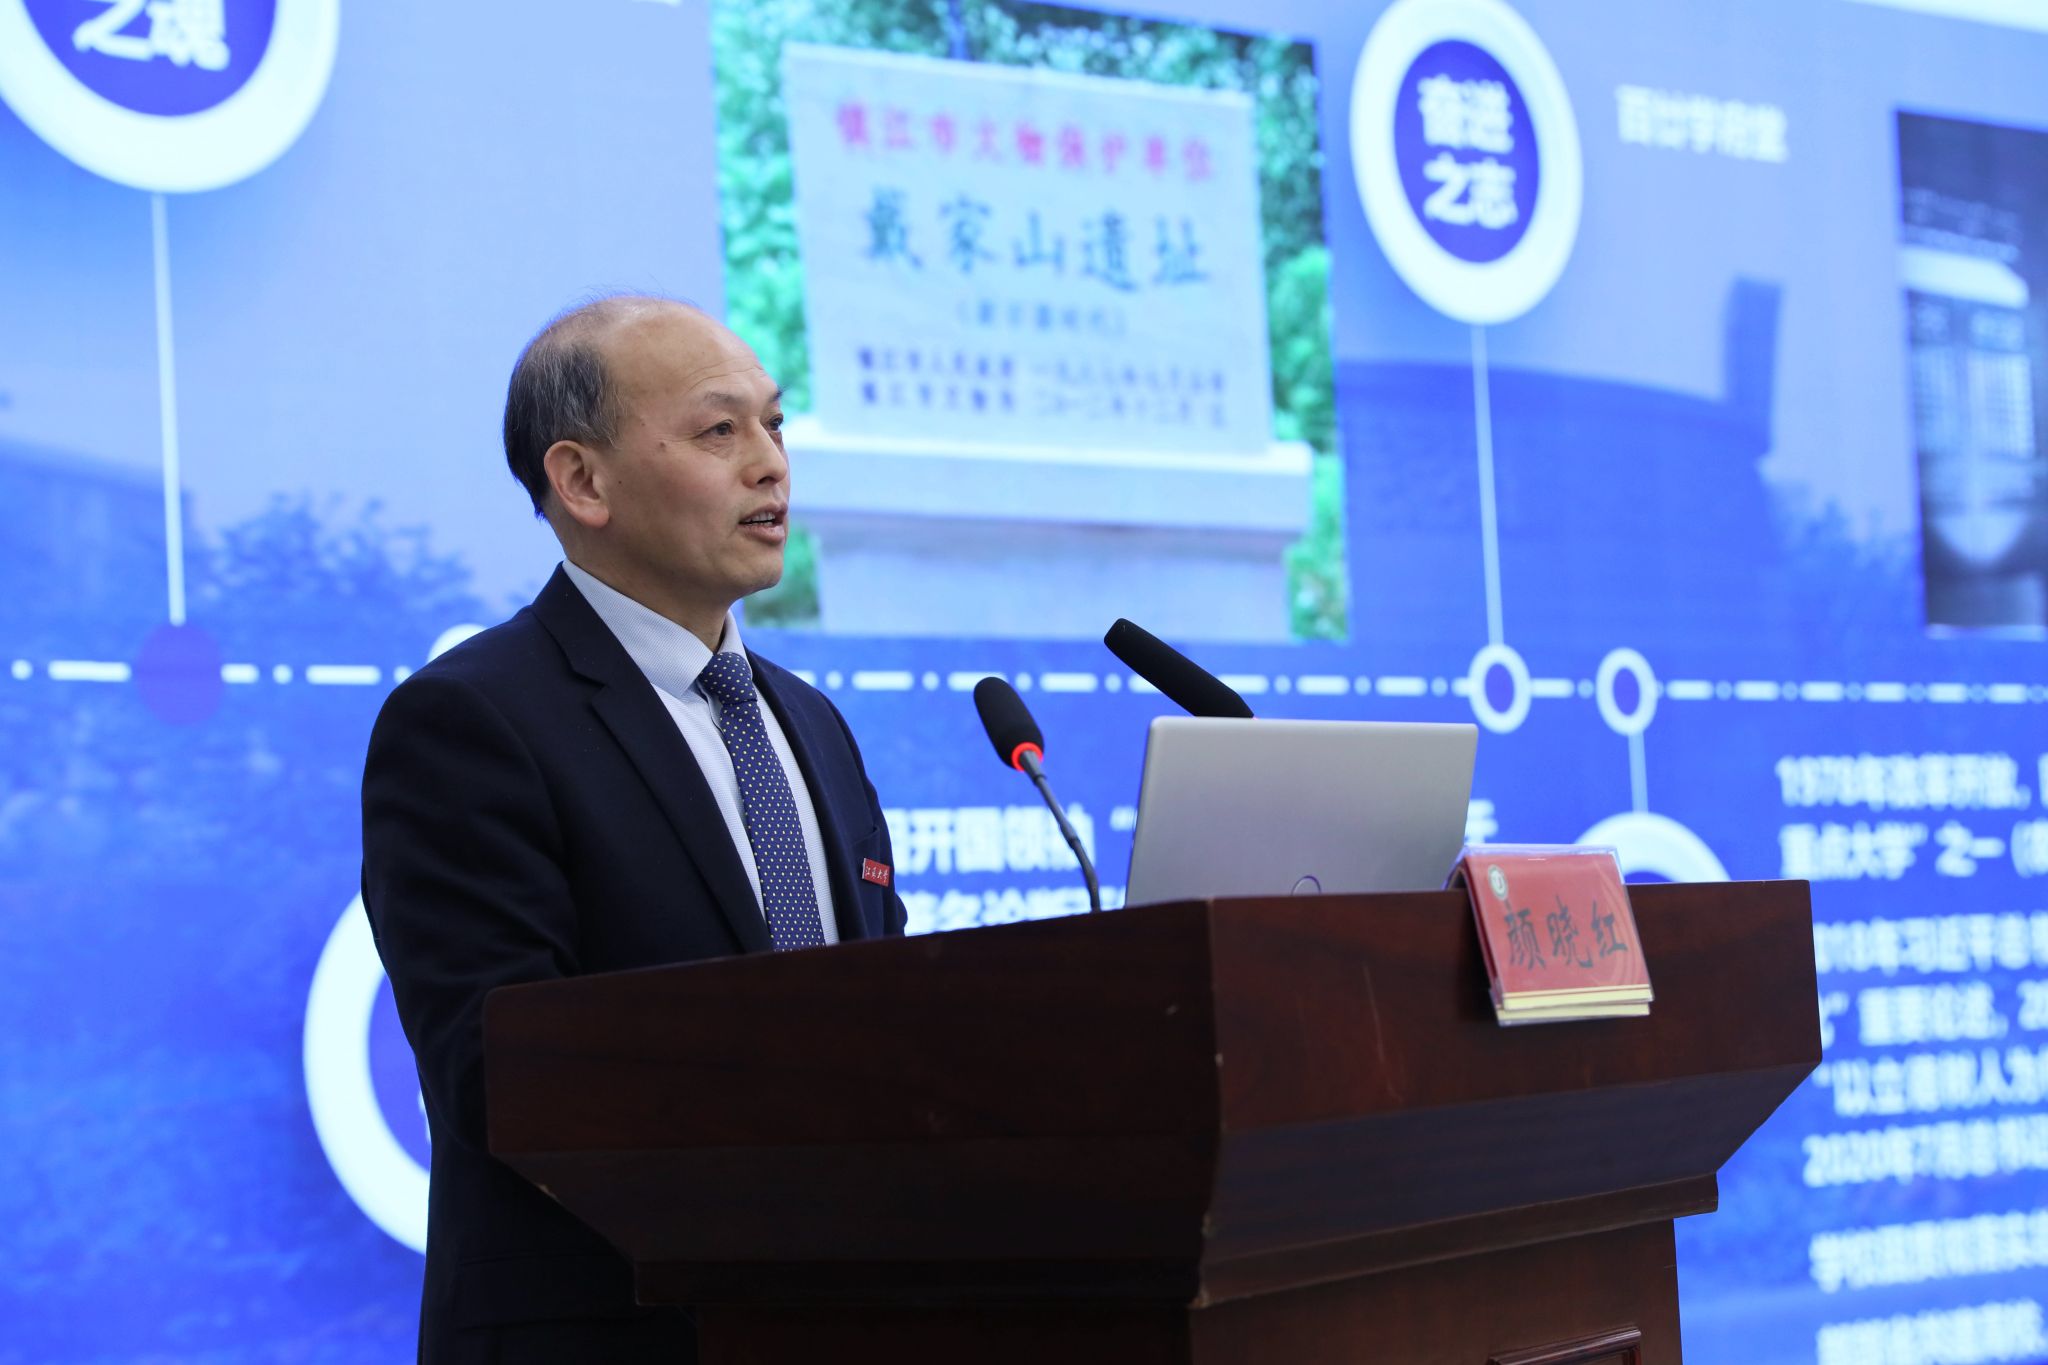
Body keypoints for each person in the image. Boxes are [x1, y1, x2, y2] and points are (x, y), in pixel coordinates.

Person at [360, 296, 907, 1365]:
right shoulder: (472, 720)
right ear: (582, 481)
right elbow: (500, 1075)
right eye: (719, 430)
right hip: (608, 1330)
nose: (770, 465)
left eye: (774, 425)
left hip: (839, 1315)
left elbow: (885, 1008)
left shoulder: (810, 722)